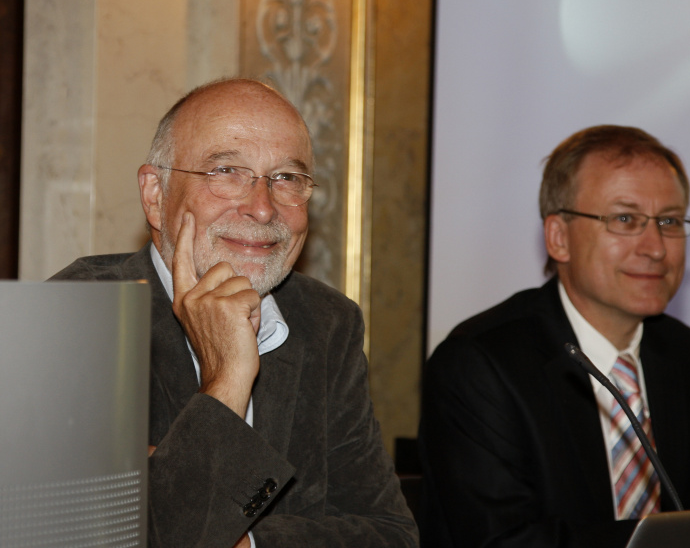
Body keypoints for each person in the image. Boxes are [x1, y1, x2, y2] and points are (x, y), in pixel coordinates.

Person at [51, 78, 418, 548]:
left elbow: (390, 535)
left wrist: (241, 541)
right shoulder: (76, 317)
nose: (262, 208)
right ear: (155, 195)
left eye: (286, 178)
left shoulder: (326, 321)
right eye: (226, 171)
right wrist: (226, 380)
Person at [417, 125, 690, 548]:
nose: (656, 247)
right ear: (559, 238)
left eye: (669, 221)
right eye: (625, 219)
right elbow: (505, 541)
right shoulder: (480, 365)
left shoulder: (689, 356)